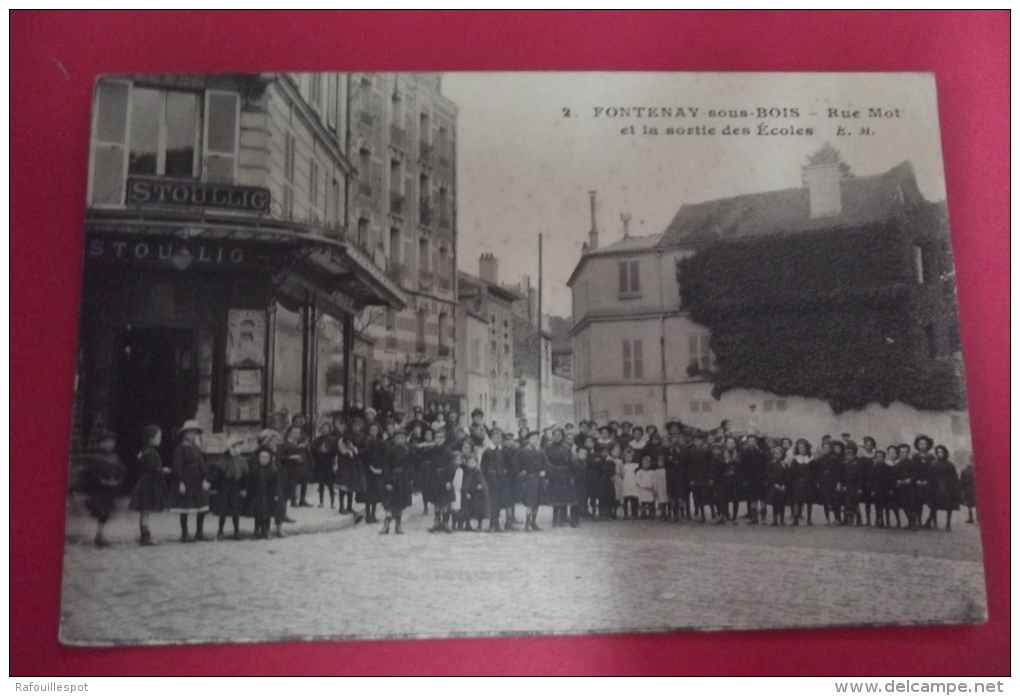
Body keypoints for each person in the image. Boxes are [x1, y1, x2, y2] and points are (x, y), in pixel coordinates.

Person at [168, 420, 211, 543]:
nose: (193, 435)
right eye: (191, 433)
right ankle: (185, 534)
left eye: (195, 433)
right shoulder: (179, 449)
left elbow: (202, 464)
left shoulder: (196, 448)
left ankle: (199, 532)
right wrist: (180, 482)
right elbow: (177, 467)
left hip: (197, 480)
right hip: (186, 480)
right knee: (184, 507)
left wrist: (205, 479)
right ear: (184, 434)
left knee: (202, 505)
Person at [128, 424, 170, 546]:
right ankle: (145, 537)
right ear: (150, 438)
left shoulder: (143, 451)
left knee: (145, 511)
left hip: (145, 482)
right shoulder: (151, 453)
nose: (160, 439)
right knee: (146, 510)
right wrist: (164, 470)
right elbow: (153, 469)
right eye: (158, 437)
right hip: (149, 484)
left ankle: (144, 535)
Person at [83, 429, 126, 548]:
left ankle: (100, 534)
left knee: (106, 514)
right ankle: (98, 535)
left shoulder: (115, 458)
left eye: (112, 442)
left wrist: (117, 480)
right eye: (107, 442)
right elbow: (90, 474)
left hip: (110, 491)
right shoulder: (96, 458)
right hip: (99, 490)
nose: (110, 444)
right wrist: (102, 481)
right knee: (100, 511)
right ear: (101, 443)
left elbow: (121, 470)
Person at [209, 436, 249, 541]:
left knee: (236, 511)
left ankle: (237, 532)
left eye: (240, 447)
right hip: (225, 488)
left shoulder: (242, 460)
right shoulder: (223, 460)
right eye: (237, 447)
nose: (239, 449)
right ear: (231, 448)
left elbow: (245, 476)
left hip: (236, 487)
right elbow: (217, 476)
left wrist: (244, 488)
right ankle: (220, 531)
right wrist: (216, 488)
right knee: (223, 511)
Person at [380, 428, 414, 535]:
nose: (400, 440)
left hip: (403, 479)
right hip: (392, 479)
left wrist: (410, 477)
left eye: (402, 438)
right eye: (397, 438)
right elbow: (385, 467)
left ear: (406, 439)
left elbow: (411, 465)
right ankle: (386, 525)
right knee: (390, 503)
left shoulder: (408, 451)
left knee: (400, 503)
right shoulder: (390, 451)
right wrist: (388, 482)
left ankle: (398, 525)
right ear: (394, 439)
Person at [516, 431, 550, 532]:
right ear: (528, 440)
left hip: (539, 479)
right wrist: (522, 471)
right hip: (529, 479)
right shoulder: (523, 451)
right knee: (530, 501)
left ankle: (533, 522)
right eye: (532, 439)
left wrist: (544, 471)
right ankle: (527, 523)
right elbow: (517, 464)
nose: (535, 441)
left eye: (536, 439)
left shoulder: (541, 451)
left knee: (537, 501)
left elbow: (546, 463)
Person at [246, 446, 281, 540]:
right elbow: (250, 482)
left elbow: (276, 484)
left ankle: (267, 531)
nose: (264, 460)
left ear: (269, 459)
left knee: (267, 514)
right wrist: (249, 492)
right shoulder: (255, 470)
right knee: (258, 514)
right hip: (258, 494)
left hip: (268, 495)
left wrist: (276, 494)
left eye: (266, 458)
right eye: (262, 458)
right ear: (259, 458)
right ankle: (256, 531)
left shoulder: (273, 470)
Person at [480, 429, 509, 532]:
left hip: (501, 479)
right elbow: (483, 467)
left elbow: (507, 463)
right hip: (491, 479)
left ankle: (497, 523)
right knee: (493, 501)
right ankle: (492, 524)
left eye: (499, 438)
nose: (497, 440)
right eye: (495, 438)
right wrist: (486, 478)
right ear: (491, 438)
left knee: (499, 501)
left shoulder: (503, 451)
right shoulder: (487, 451)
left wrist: (504, 473)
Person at [927, 445, 961, 531]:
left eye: (941, 452)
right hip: (935, 487)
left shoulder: (950, 465)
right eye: (938, 452)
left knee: (949, 506)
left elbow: (955, 477)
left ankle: (948, 523)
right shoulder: (933, 464)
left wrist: (955, 488)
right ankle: (934, 522)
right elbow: (930, 476)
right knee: (933, 505)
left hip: (947, 487)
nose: (940, 454)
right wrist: (930, 486)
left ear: (945, 452)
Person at [310, 421, 338, 508]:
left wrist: (328, 452)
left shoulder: (333, 439)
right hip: (320, 464)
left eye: (326, 428)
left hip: (329, 463)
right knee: (321, 483)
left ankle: (332, 502)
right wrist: (319, 451)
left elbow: (336, 451)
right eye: (322, 428)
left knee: (330, 484)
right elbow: (312, 450)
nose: (324, 430)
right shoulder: (317, 440)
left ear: (329, 429)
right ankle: (321, 501)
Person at [460, 453, 489, 532]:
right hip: (469, 493)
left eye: (473, 462)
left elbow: (482, 480)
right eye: (469, 462)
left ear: (476, 463)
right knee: (467, 509)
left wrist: (480, 485)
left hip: (477, 494)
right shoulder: (466, 472)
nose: (471, 464)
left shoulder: (478, 472)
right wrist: (466, 492)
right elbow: (465, 482)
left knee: (479, 509)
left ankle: (479, 525)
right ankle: (467, 524)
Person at [788, 439, 813, 526]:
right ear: (797, 449)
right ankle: (795, 519)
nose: (802, 449)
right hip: (798, 482)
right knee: (797, 501)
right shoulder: (795, 459)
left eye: (804, 447)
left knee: (809, 500)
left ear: (807, 448)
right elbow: (792, 473)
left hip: (808, 482)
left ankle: (809, 519)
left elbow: (814, 472)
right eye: (800, 447)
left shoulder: (810, 459)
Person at [765, 444, 789, 526]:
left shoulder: (784, 464)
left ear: (782, 455)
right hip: (774, 485)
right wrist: (774, 483)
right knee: (775, 503)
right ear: (773, 454)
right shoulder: (771, 464)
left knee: (782, 503)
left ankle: (782, 519)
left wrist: (784, 485)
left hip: (782, 485)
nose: (777, 455)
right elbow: (768, 475)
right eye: (776, 453)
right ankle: (775, 519)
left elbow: (787, 475)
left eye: (779, 453)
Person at [620, 447, 640, 521]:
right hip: (625, 483)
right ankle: (625, 514)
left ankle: (634, 514)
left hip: (633, 482)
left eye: (630, 456)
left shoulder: (635, 465)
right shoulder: (623, 466)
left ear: (633, 457)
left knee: (633, 498)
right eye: (627, 456)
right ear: (624, 457)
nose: (628, 458)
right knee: (625, 498)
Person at [635, 454, 656, 520]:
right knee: (643, 501)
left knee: (650, 501)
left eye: (647, 463)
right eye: (644, 463)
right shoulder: (639, 472)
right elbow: (637, 480)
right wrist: (642, 485)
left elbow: (654, 480)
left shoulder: (652, 472)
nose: (646, 465)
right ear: (642, 463)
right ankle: (643, 513)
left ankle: (651, 513)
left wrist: (652, 486)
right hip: (643, 489)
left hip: (650, 489)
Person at [960, 454, 977, 524]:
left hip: (968, 489)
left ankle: (971, 517)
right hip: (972, 488)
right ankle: (975, 518)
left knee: (969, 504)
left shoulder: (965, 470)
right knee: (974, 504)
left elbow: (961, 481)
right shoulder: (969, 470)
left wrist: (962, 488)